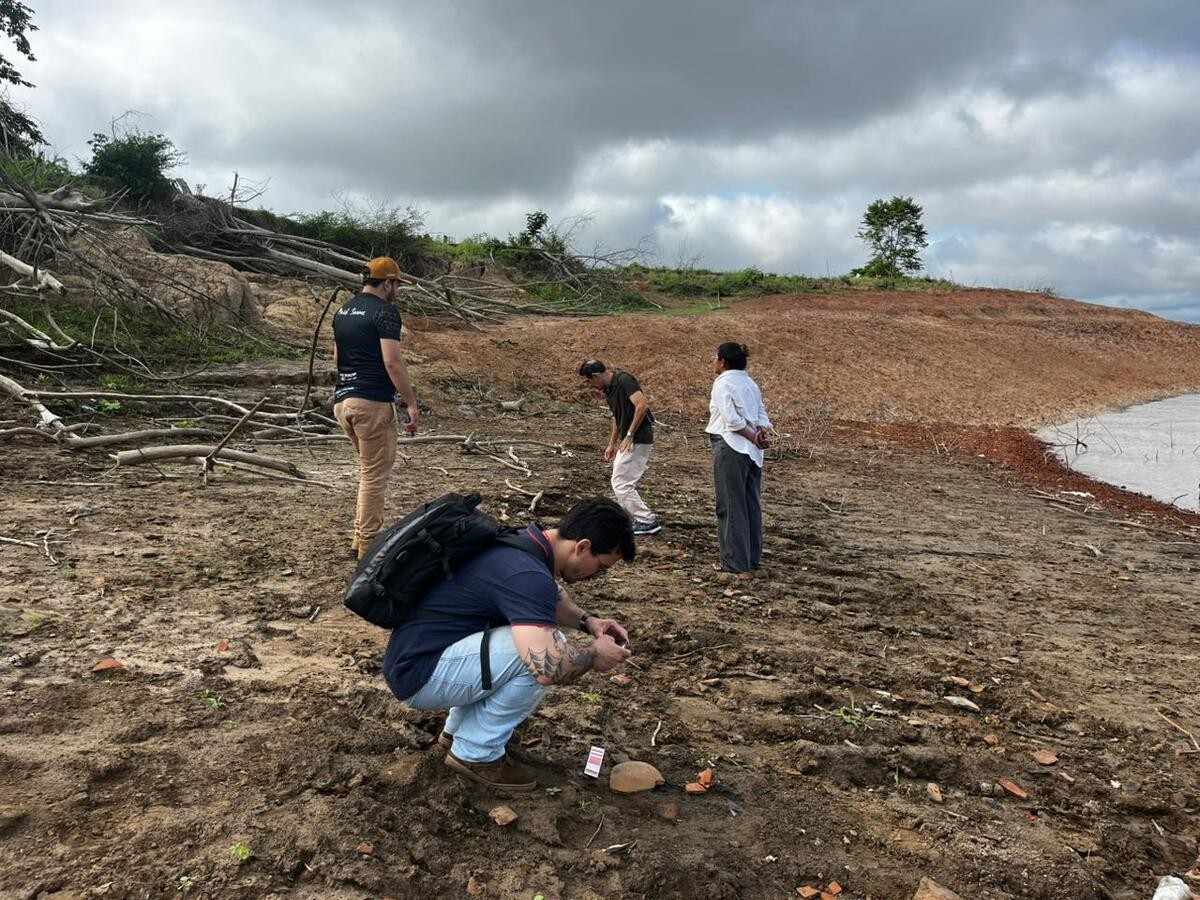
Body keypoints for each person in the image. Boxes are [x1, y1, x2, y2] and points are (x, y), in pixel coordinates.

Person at [383, 498, 636, 792]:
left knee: (529, 634)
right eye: (601, 567)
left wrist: (589, 622)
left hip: (418, 656)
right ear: (582, 546)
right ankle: (476, 754)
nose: (597, 576)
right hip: (420, 675)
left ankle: (456, 734)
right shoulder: (527, 574)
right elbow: (549, 668)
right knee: (543, 650)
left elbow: (549, 599)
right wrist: (593, 656)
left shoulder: (522, 543)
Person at [332, 257, 419, 558]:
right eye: (396, 284)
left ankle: (360, 538)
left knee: (368, 472)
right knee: (373, 476)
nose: (397, 290)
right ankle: (368, 544)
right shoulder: (385, 313)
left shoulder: (342, 311)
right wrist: (410, 402)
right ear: (387, 283)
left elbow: (337, 358)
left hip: (343, 401)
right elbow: (392, 361)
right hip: (371, 403)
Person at [705, 341, 772, 578]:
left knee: (730, 505)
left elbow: (732, 421)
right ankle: (753, 562)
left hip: (731, 445)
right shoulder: (749, 383)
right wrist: (760, 433)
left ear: (723, 361)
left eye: (715, 358)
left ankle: (737, 565)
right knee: (750, 504)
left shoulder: (723, 383)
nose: (713, 362)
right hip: (752, 451)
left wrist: (753, 436)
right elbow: (762, 413)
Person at [578, 360, 661, 535]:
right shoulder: (610, 391)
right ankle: (636, 518)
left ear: (595, 376)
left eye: (590, 381)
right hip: (629, 438)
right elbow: (617, 417)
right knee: (620, 480)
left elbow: (642, 405)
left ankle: (646, 520)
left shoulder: (624, 380)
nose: (591, 386)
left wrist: (630, 434)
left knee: (621, 483)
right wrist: (611, 444)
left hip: (638, 438)